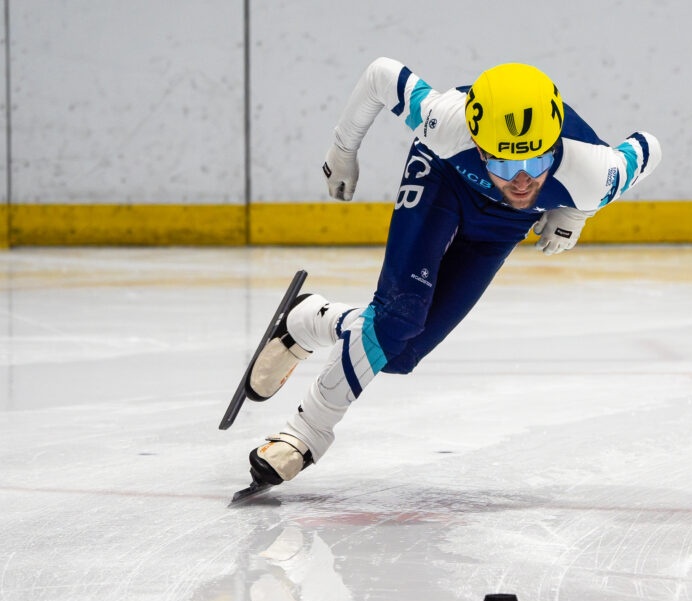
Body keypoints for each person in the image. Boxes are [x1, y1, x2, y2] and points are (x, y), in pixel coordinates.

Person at [241, 57, 662, 487]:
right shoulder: (446, 122)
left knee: (398, 355)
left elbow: (648, 146)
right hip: (442, 178)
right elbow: (380, 75)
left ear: (554, 147)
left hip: (501, 227)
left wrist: (578, 211)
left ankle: (309, 320)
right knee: (398, 318)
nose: (519, 183)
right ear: (478, 145)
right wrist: (342, 150)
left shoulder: (595, 172)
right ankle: (305, 434)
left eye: (535, 165)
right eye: (500, 164)